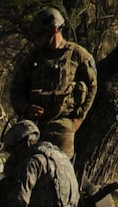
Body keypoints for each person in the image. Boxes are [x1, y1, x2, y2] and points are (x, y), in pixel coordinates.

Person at [7, 12, 97, 161]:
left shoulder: (77, 55)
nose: (37, 39)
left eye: (40, 35)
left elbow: (92, 86)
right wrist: (26, 108)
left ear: (54, 31)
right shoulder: (33, 57)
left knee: (61, 174)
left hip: (62, 128)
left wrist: (79, 118)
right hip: (33, 128)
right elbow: (15, 90)